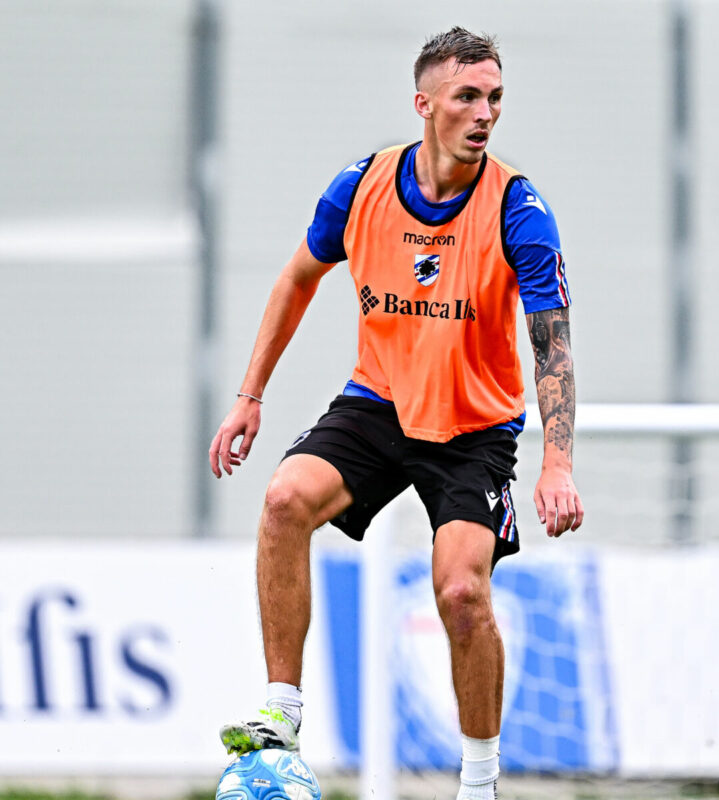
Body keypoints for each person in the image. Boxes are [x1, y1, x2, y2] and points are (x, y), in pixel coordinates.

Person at [207, 27, 582, 800]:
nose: (485, 113)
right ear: (424, 104)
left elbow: (552, 343)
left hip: (473, 427)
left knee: (461, 593)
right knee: (283, 500)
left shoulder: (518, 209)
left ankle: (478, 783)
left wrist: (557, 464)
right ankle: (281, 713)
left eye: (495, 98)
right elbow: (297, 278)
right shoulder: (363, 186)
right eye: (467, 97)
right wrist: (249, 397)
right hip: (379, 404)